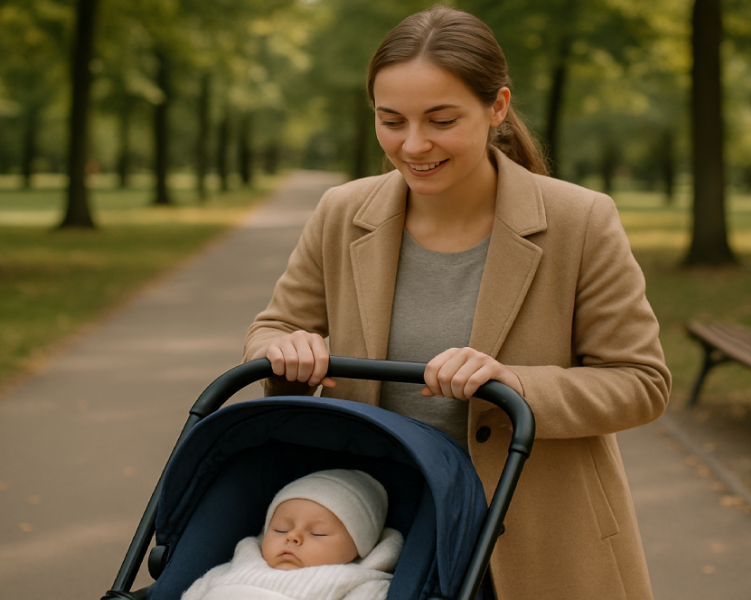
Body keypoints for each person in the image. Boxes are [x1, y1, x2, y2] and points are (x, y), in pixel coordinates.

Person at [244, 6, 671, 599]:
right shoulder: (342, 212)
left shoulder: (580, 220)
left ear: (497, 107)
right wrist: (284, 349)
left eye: (441, 120)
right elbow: (275, 326)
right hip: (378, 539)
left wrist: (515, 385)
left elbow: (640, 381)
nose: (413, 144)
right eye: (390, 120)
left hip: (536, 538)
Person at [181, 470, 404, 600]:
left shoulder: (362, 584)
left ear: (358, 548)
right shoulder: (238, 563)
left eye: (318, 533)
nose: (293, 537)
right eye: (281, 529)